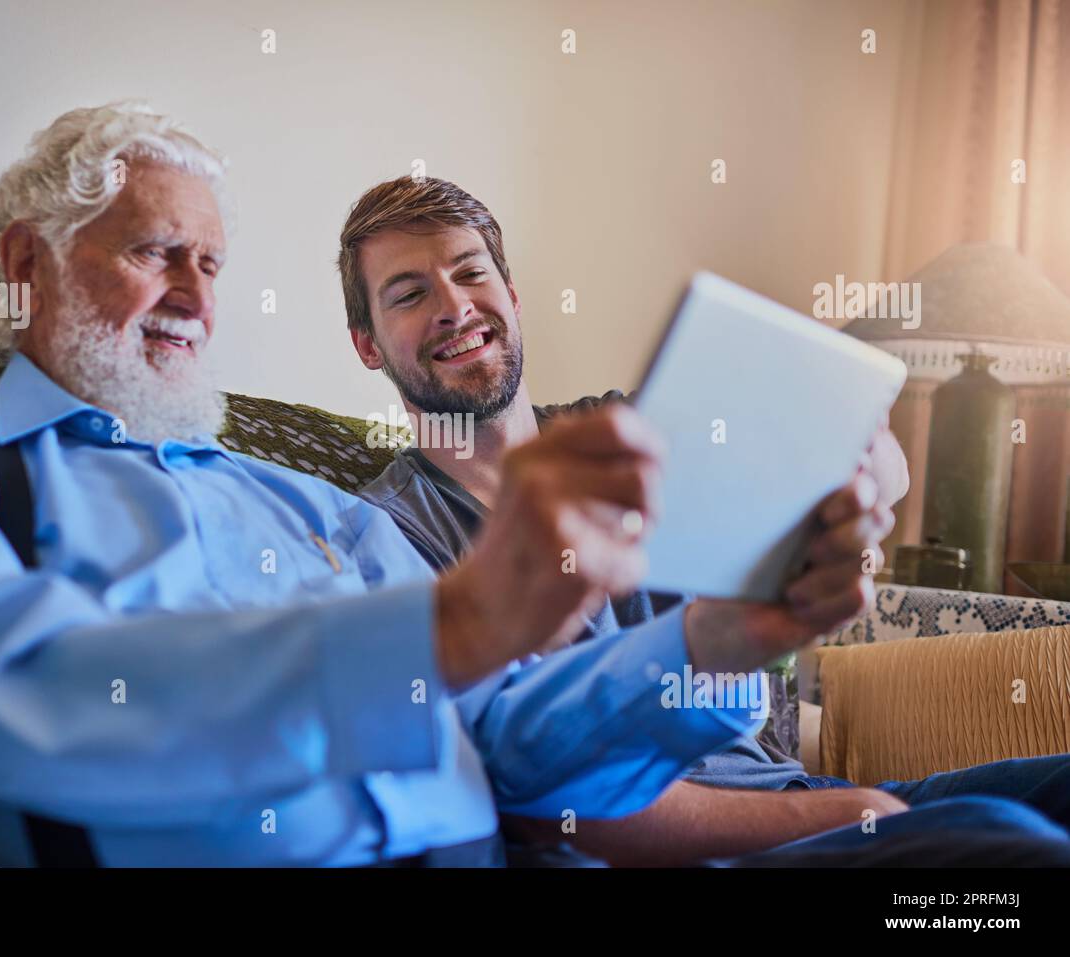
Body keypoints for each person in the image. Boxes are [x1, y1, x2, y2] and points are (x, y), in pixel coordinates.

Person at [0, 102, 896, 868]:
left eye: (211, 265)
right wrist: (449, 624)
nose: (194, 296)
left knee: (1005, 847)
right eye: (155, 252)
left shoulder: (295, 503)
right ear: (27, 262)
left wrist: (715, 639)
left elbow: (505, 733)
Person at [338, 173, 1070, 866]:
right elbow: (544, 808)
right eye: (408, 293)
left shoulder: (634, 427)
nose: (454, 304)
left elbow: (888, 471)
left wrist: (850, 478)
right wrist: (855, 813)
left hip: (798, 794)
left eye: (471, 272)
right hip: (700, 842)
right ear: (367, 344)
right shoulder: (387, 536)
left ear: (513, 295)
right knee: (1006, 844)